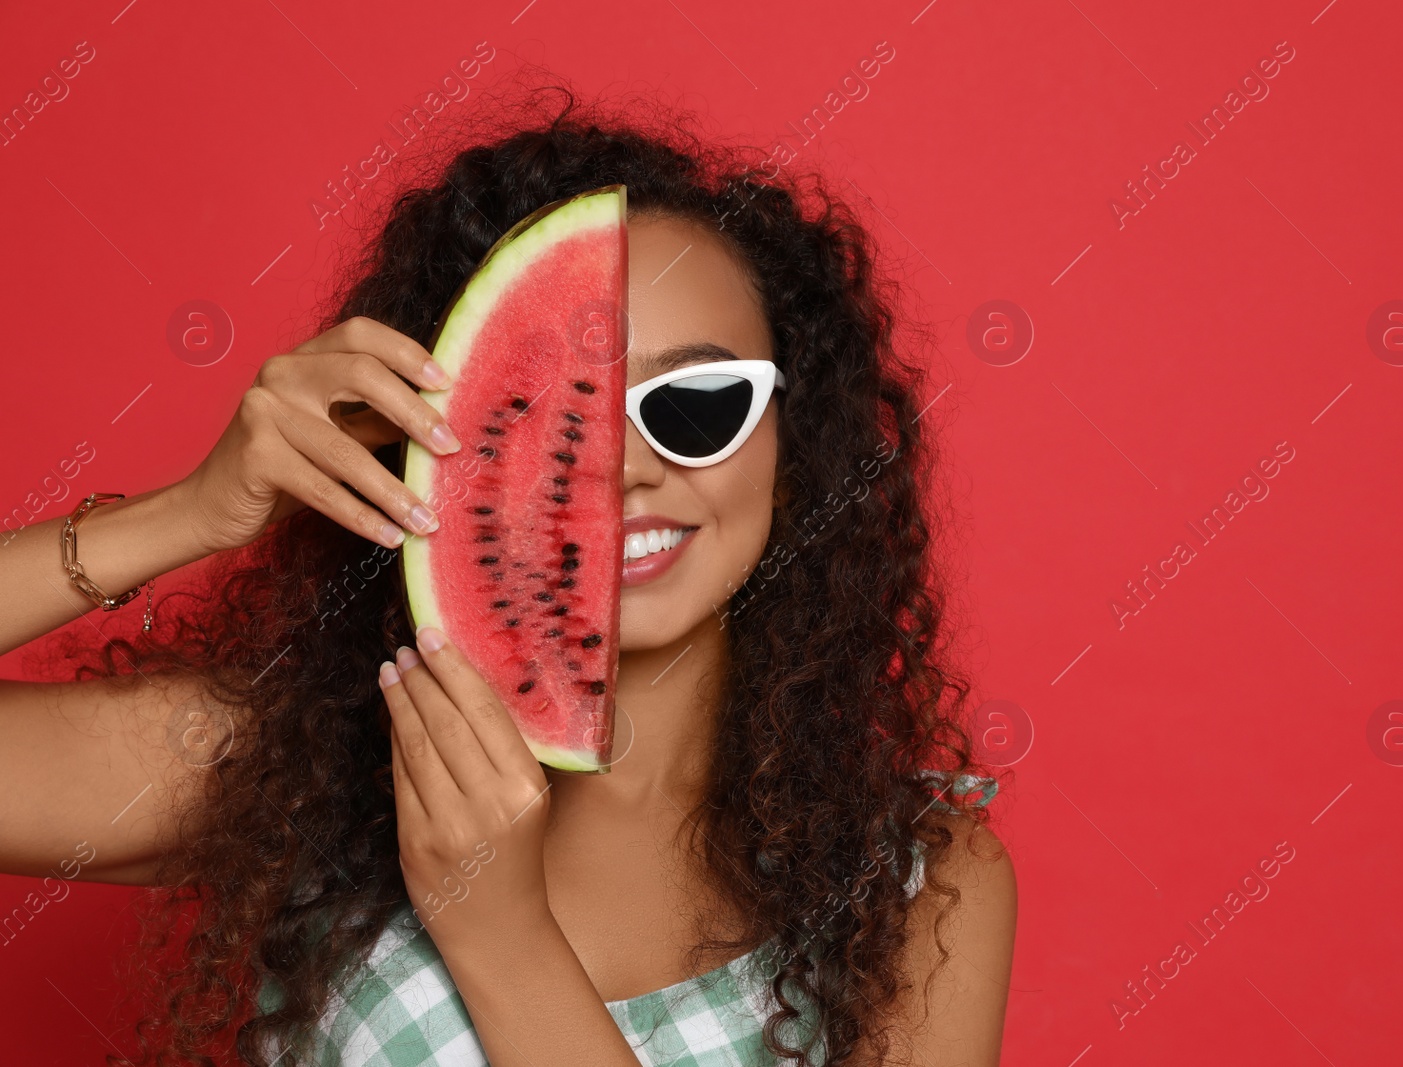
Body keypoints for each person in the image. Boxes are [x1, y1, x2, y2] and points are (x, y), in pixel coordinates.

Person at [0, 83, 1016, 1067]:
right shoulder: (309, 769)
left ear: (796, 458)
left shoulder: (919, 883)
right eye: (546, 416)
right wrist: (187, 512)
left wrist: (499, 934)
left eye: (698, 404)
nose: (623, 465)